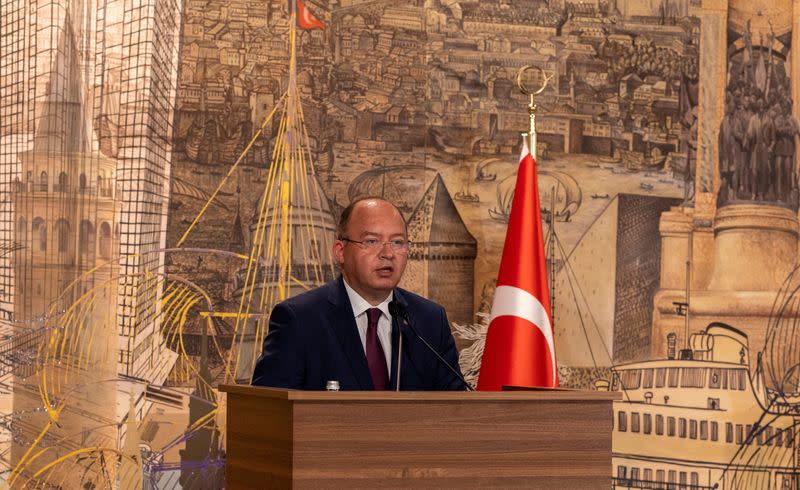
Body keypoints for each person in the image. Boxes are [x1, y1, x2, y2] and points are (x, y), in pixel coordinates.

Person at [251, 197, 466, 390]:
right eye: (371, 241)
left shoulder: (429, 321)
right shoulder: (300, 320)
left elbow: (457, 411)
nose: (388, 254)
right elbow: (268, 415)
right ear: (340, 251)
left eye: (398, 242)